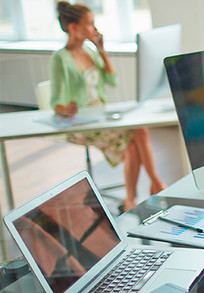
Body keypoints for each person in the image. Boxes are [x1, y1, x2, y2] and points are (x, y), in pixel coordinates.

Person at [50, 1, 166, 212]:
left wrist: (102, 51)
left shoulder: (90, 52)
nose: (95, 29)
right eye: (90, 24)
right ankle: (155, 185)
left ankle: (131, 199)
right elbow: (55, 101)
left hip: (100, 116)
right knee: (138, 132)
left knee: (135, 138)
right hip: (80, 124)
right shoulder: (60, 58)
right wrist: (66, 109)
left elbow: (112, 81)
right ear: (73, 28)